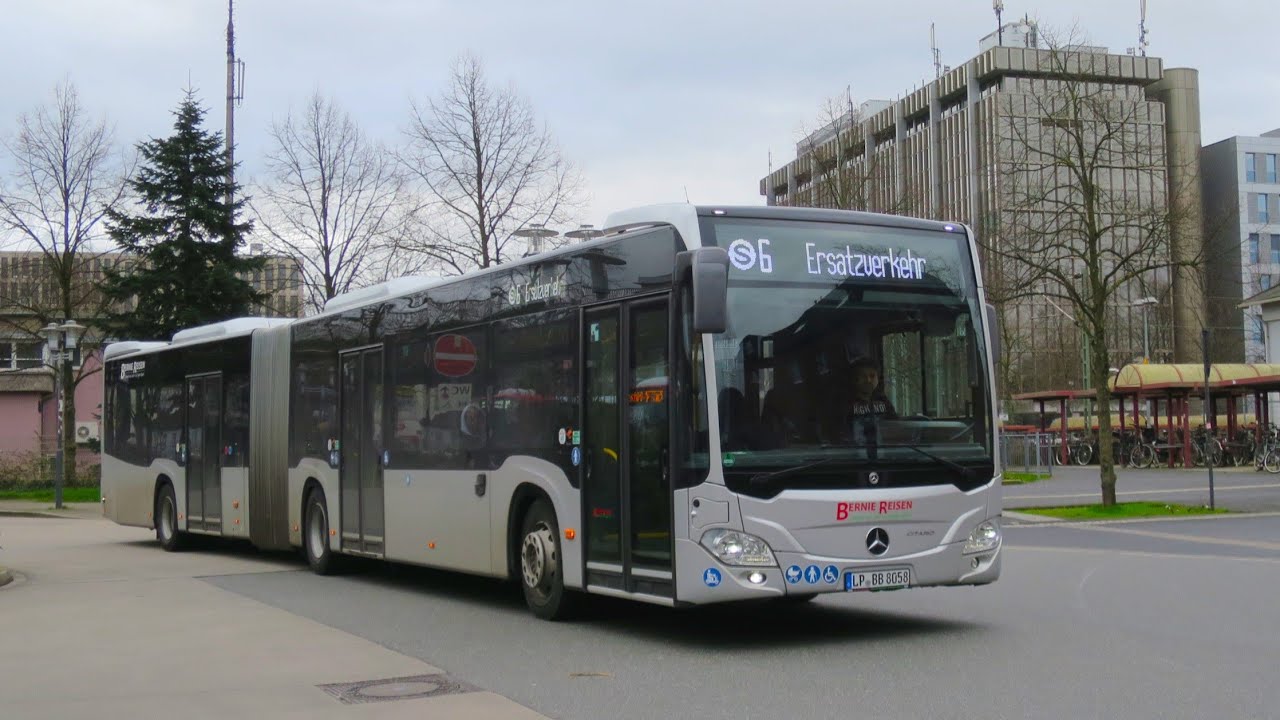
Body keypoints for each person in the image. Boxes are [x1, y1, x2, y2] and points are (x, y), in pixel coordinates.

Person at [842, 356, 896, 445]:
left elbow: (894, 426)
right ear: (854, 379)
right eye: (863, 376)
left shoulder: (883, 401)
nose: (868, 380)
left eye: (872, 376)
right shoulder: (845, 403)